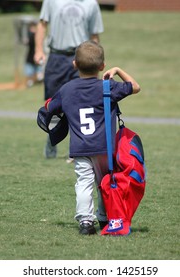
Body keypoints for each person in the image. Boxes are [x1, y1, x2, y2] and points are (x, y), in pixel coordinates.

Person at [44, 41, 141, 235]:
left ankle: (86, 222)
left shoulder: (67, 89)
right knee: (105, 182)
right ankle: (106, 219)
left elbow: (50, 108)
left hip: (80, 147)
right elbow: (135, 87)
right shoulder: (108, 87)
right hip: (104, 147)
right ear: (102, 66)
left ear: (74, 64)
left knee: (83, 183)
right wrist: (118, 70)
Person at [34, 0, 104, 161]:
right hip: (56, 57)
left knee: (79, 103)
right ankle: (51, 140)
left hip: (80, 58)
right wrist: (38, 50)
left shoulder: (91, 4)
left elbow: (94, 36)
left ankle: (77, 148)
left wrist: (95, 61)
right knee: (52, 104)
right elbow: (42, 25)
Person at [24, 22, 44, 88]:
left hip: (37, 56)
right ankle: (31, 81)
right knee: (30, 72)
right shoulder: (30, 35)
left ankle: (38, 80)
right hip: (30, 57)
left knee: (39, 73)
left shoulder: (37, 35)